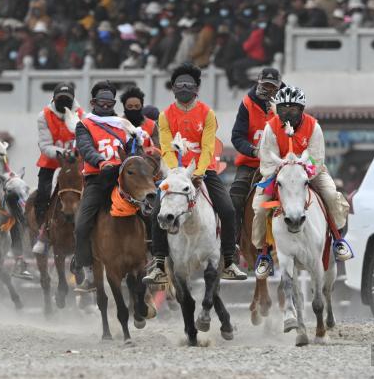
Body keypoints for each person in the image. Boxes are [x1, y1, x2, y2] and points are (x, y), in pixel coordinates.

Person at [144, 64, 248, 287]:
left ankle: (229, 261)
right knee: (156, 213)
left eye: (188, 85)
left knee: (228, 209)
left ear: (196, 88)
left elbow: (208, 147)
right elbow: (165, 148)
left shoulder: (207, 113)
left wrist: (198, 173)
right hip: (175, 173)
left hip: (203, 171)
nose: (184, 88)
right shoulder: (164, 116)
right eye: (179, 85)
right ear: (173, 88)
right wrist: (177, 173)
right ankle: (159, 264)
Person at [251, 85, 352, 279]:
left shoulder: (314, 127)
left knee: (331, 195)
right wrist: (284, 170)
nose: (288, 113)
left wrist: (301, 171)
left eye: (293, 109)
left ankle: (338, 240)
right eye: (283, 109)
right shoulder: (270, 128)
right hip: (279, 173)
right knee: (260, 208)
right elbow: (268, 157)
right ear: (278, 109)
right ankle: (263, 253)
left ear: (302, 109)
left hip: (311, 172)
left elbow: (316, 157)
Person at [71, 81, 127, 291]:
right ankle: (89, 273)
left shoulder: (124, 124)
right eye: (101, 102)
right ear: (93, 102)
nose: (105, 106)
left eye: (109, 102)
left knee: (152, 210)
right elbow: (85, 148)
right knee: (81, 225)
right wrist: (100, 161)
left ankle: (155, 262)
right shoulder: (84, 124)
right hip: (97, 179)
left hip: (124, 178)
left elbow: (134, 148)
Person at [229, 67, 281, 246]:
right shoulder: (247, 103)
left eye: (273, 86)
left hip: (280, 163)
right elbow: (237, 136)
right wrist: (254, 151)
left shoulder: (287, 103)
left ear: (279, 86)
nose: (269, 90)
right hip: (251, 163)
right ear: (259, 83)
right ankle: (233, 244)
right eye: (266, 85)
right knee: (235, 196)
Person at [31, 82, 83, 254]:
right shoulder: (44, 116)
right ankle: (43, 233)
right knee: (43, 195)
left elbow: (86, 140)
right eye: (60, 98)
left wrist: (76, 153)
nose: (63, 102)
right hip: (52, 164)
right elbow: (45, 145)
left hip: (76, 166)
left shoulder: (82, 115)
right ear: (53, 98)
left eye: (67, 99)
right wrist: (63, 153)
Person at [120, 86, 157, 150]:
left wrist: (148, 150)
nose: (133, 109)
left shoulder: (152, 125)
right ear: (124, 107)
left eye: (137, 106)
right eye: (130, 107)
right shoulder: (117, 124)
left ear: (142, 106)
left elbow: (158, 148)